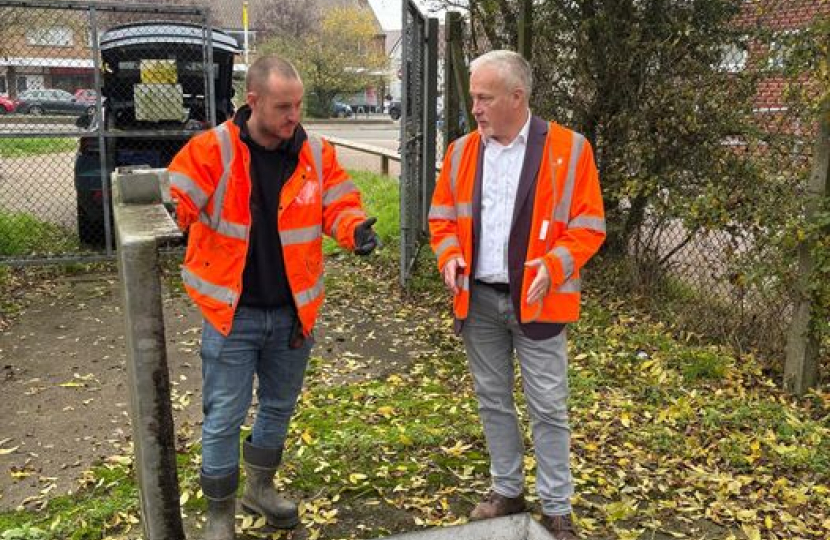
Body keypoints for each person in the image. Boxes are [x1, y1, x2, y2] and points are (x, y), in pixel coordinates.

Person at [168, 55, 378, 540]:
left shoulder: (314, 153)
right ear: (254, 101)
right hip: (232, 315)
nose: (294, 116)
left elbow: (339, 204)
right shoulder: (212, 151)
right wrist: (165, 214)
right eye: (284, 107)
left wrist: (354, 229)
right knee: (223, 415)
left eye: (299, 105)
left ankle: (259, 489)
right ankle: (219, 517)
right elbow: (172, 201)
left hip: (292, 314)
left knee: (279, 407)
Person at [428, 50, 605, 540]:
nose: (477, 107)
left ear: (517, 97)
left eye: (484, 98)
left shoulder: (571, 149)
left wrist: (554, 265)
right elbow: (441, 217)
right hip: (479, 299)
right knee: (492, 399)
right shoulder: (462, 151)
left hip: (540, 300)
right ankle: (507, 490)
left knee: (548, 405)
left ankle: (557, 507)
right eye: (474, 98)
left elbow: (589, 226)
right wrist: (448, 256)